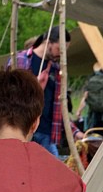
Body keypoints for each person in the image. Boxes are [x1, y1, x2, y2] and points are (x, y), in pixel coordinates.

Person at [12, 26, 73, 158]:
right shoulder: (20, 60)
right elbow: (8, 97)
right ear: (48, 42)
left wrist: (74, 131)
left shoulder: (57, 69)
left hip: (46, 132)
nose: (61, 54)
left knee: (54, 173)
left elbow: (59, 107)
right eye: (59, 49)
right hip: (22, 129)